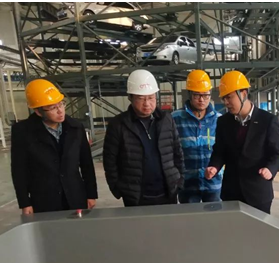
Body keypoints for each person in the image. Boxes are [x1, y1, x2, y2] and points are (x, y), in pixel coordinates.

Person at [11, 79, 97, 214]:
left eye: (61, 104)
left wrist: (91, 194)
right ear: (38, 112)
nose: (60, 111)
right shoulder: (23, 132)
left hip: (75, 196)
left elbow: (87, 164)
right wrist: (25, 203)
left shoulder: (75, 128)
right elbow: (19, 170)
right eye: (53, 108)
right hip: (44, 199)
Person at [205, 70, 279, 214]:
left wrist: (270, 169)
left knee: (258, 229)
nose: (226, 102)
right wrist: (214, 166)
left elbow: (276, 153)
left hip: (258, 192)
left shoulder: (268, 120)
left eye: (229, 97)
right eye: (224, 98)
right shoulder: (223, 122)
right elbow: (220, 151)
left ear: (244, 94)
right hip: (231, 193)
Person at [103, 69, 184, 207]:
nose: (147, 103)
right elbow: (110, 161)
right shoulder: (118, 125)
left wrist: (179, 180)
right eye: (141, 98)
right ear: (131, 98)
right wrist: (118, 188)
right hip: (135, 196)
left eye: (151, 98)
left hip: (167, 192)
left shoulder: (166, 120)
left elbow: (178, 152)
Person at [172, 70, 222, 203]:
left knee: (214, 216)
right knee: (190, 216)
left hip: (213, 184)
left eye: (205, 95)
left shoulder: (219, 120)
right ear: (190, 94)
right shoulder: (175, 118)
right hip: (187, 184)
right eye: (197, 95)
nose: (201, 99)